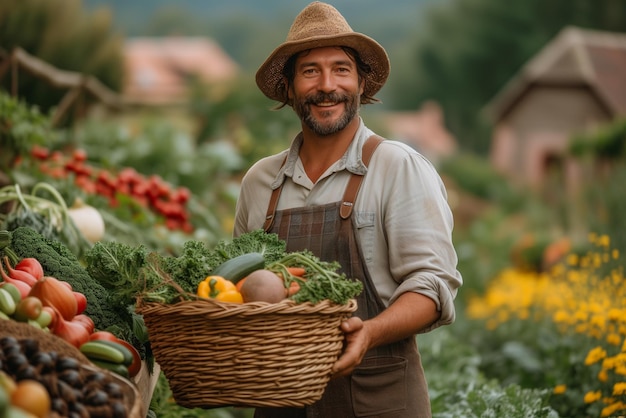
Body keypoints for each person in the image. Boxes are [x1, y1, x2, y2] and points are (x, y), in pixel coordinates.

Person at [233, 2, 463, 417]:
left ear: (360, 83)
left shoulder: (397, 166)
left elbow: (433, 285)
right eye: (309, 71)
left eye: (341, 69)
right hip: (281, 402)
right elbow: (242, 293)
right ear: (288, 87)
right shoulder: (259, 183)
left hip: (381, 400)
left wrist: (369, 332)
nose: (327, 85)